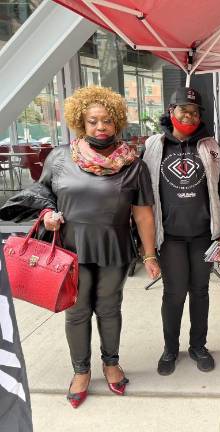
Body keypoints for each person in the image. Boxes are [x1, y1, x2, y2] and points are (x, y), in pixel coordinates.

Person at [0, 85, 160, 408]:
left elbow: (143, 215)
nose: (100, 127)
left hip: (114, 248)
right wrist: (46, 216)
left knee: (110, 308)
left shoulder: (133, 164)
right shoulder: (60, 157)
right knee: (77, 311)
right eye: (92, 121)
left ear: (117, 122)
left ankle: (111, 363)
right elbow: (42, 194)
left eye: (106, 121)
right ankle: (81, 371)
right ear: (81, 123)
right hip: (70, 249)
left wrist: (150, 253)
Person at [142, 87, 220, 376]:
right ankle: (170, 349)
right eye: (183, 109)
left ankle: (198, 346)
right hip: (169, 237)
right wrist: (144, 246)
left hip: (204, 237)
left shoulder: (212, 148)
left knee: (201, 291)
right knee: (173, 294)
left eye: (195, 111)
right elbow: (141, 195)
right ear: (171, 112)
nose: (189, 115)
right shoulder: (152, 147)